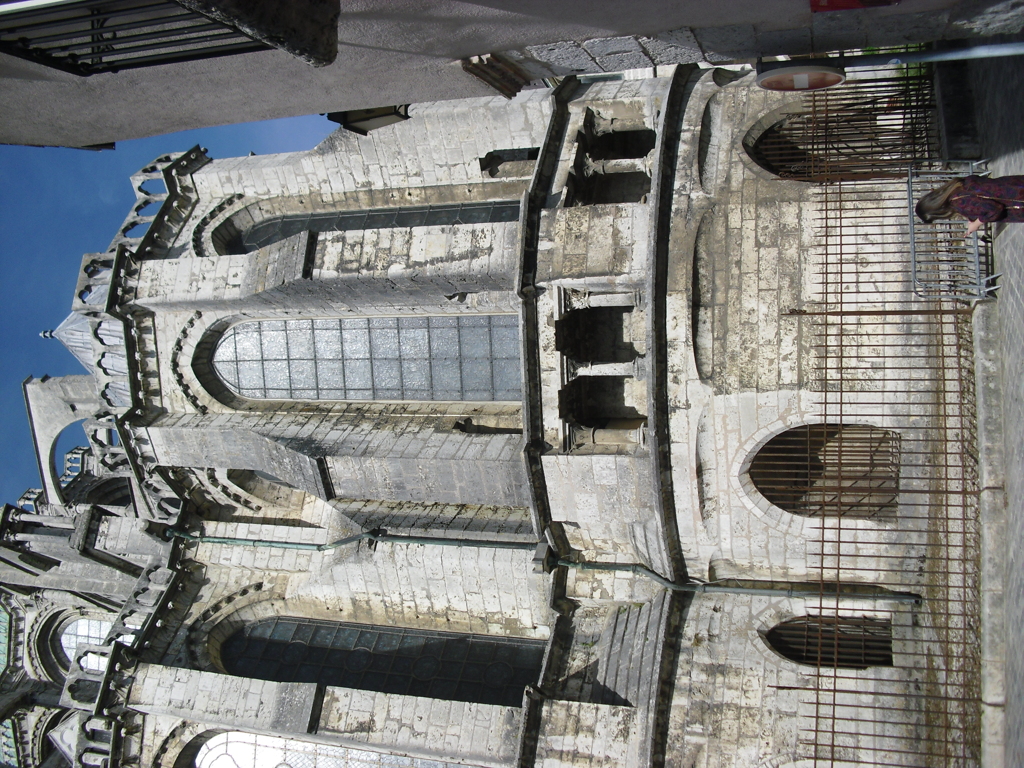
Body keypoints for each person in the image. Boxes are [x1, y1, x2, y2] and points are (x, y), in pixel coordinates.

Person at [915, 175, 1024, 236]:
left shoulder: (960, 204)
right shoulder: (958, 185)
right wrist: (972, 217)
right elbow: (982, 196)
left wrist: (976, 224)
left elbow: (995, 209)